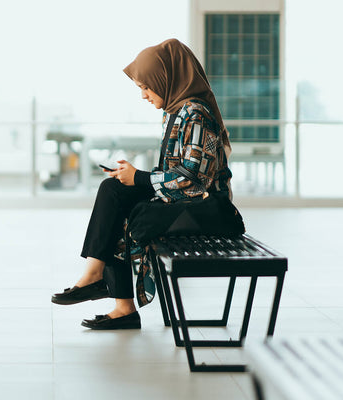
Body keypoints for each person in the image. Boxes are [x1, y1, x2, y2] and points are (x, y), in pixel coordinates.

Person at [51, 38, 234, 330]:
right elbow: (175, 174)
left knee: (131, 211)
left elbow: (195, 179)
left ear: (166, 79)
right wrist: (132, 177)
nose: (143, 95)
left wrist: (140, 178)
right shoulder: (175, 112)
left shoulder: (196, 114)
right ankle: (109, 289)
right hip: (186, 205)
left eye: (146, 87)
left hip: (209, 211)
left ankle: (109, 291)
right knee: (113, 190)